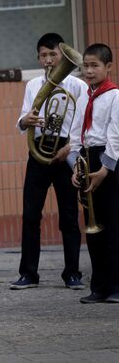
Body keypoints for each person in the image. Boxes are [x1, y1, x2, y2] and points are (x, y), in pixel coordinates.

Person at [11, 33, 88, 290]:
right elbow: (22, 120)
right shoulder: (32, 85)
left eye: (53, 54)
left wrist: (71, 147)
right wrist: (27, 121)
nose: (48, 60)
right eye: (43, 55)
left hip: (66, 151)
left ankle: (72, 273)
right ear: (38, 58)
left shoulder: (78, 86)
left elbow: (85, 123)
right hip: (39, 153)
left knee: (68, 215)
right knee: (31, 215)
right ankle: (29, 273)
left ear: (62, 55)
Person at [67, 43, 119, 304]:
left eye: (94, 65)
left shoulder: (114, 96)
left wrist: (105, 169)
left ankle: (116, 286)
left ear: (108, 67)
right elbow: (77, 133)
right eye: (85, 65)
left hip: (107, 161)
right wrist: (75, 165)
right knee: (93, 227)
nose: (88, 70)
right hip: (87, 158)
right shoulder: (84, 96)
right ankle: (99, 286)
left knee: (112, 226)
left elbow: (115, 136)